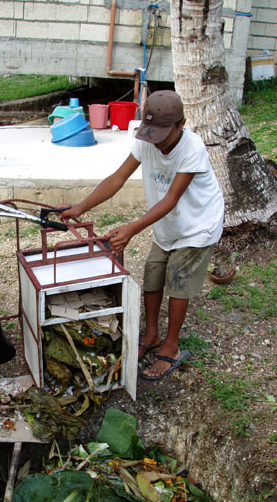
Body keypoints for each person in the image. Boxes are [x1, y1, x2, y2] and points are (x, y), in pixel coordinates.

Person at [60, 90, 224, 381]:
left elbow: (172, 198)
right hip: (167, 225)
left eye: (163, 135)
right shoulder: (146, 140)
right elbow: (117, 178)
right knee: (153, 274)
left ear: (181, 125)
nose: (157, 143)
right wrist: (81, 206)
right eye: (152, 134)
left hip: (198, 224)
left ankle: (171, 346)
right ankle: (150, 334)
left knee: (178, 280)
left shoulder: (192, 148)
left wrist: (133, 228)